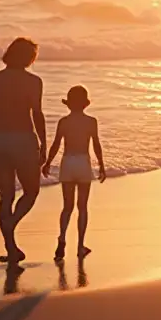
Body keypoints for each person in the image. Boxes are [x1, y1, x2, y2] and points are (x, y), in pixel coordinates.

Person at [0, 37, 46, 264]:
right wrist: (44, 143)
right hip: (23, 140)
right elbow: (37, 114)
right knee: (31, 192)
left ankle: (11, 247)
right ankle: (11, 226)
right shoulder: (34, 81)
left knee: (6, 196)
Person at [43, 85, 105, 262]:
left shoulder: (63, 122)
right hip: (83, 162)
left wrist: (47, 163)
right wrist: (101, 164)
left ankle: (62, 239)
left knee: (67, 206)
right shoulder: (91, 121)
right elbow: (96, 145)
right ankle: (80, 246)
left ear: (68, 104)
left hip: (68, 162)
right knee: (82, 207)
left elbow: (56, 144)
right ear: (85, 104)